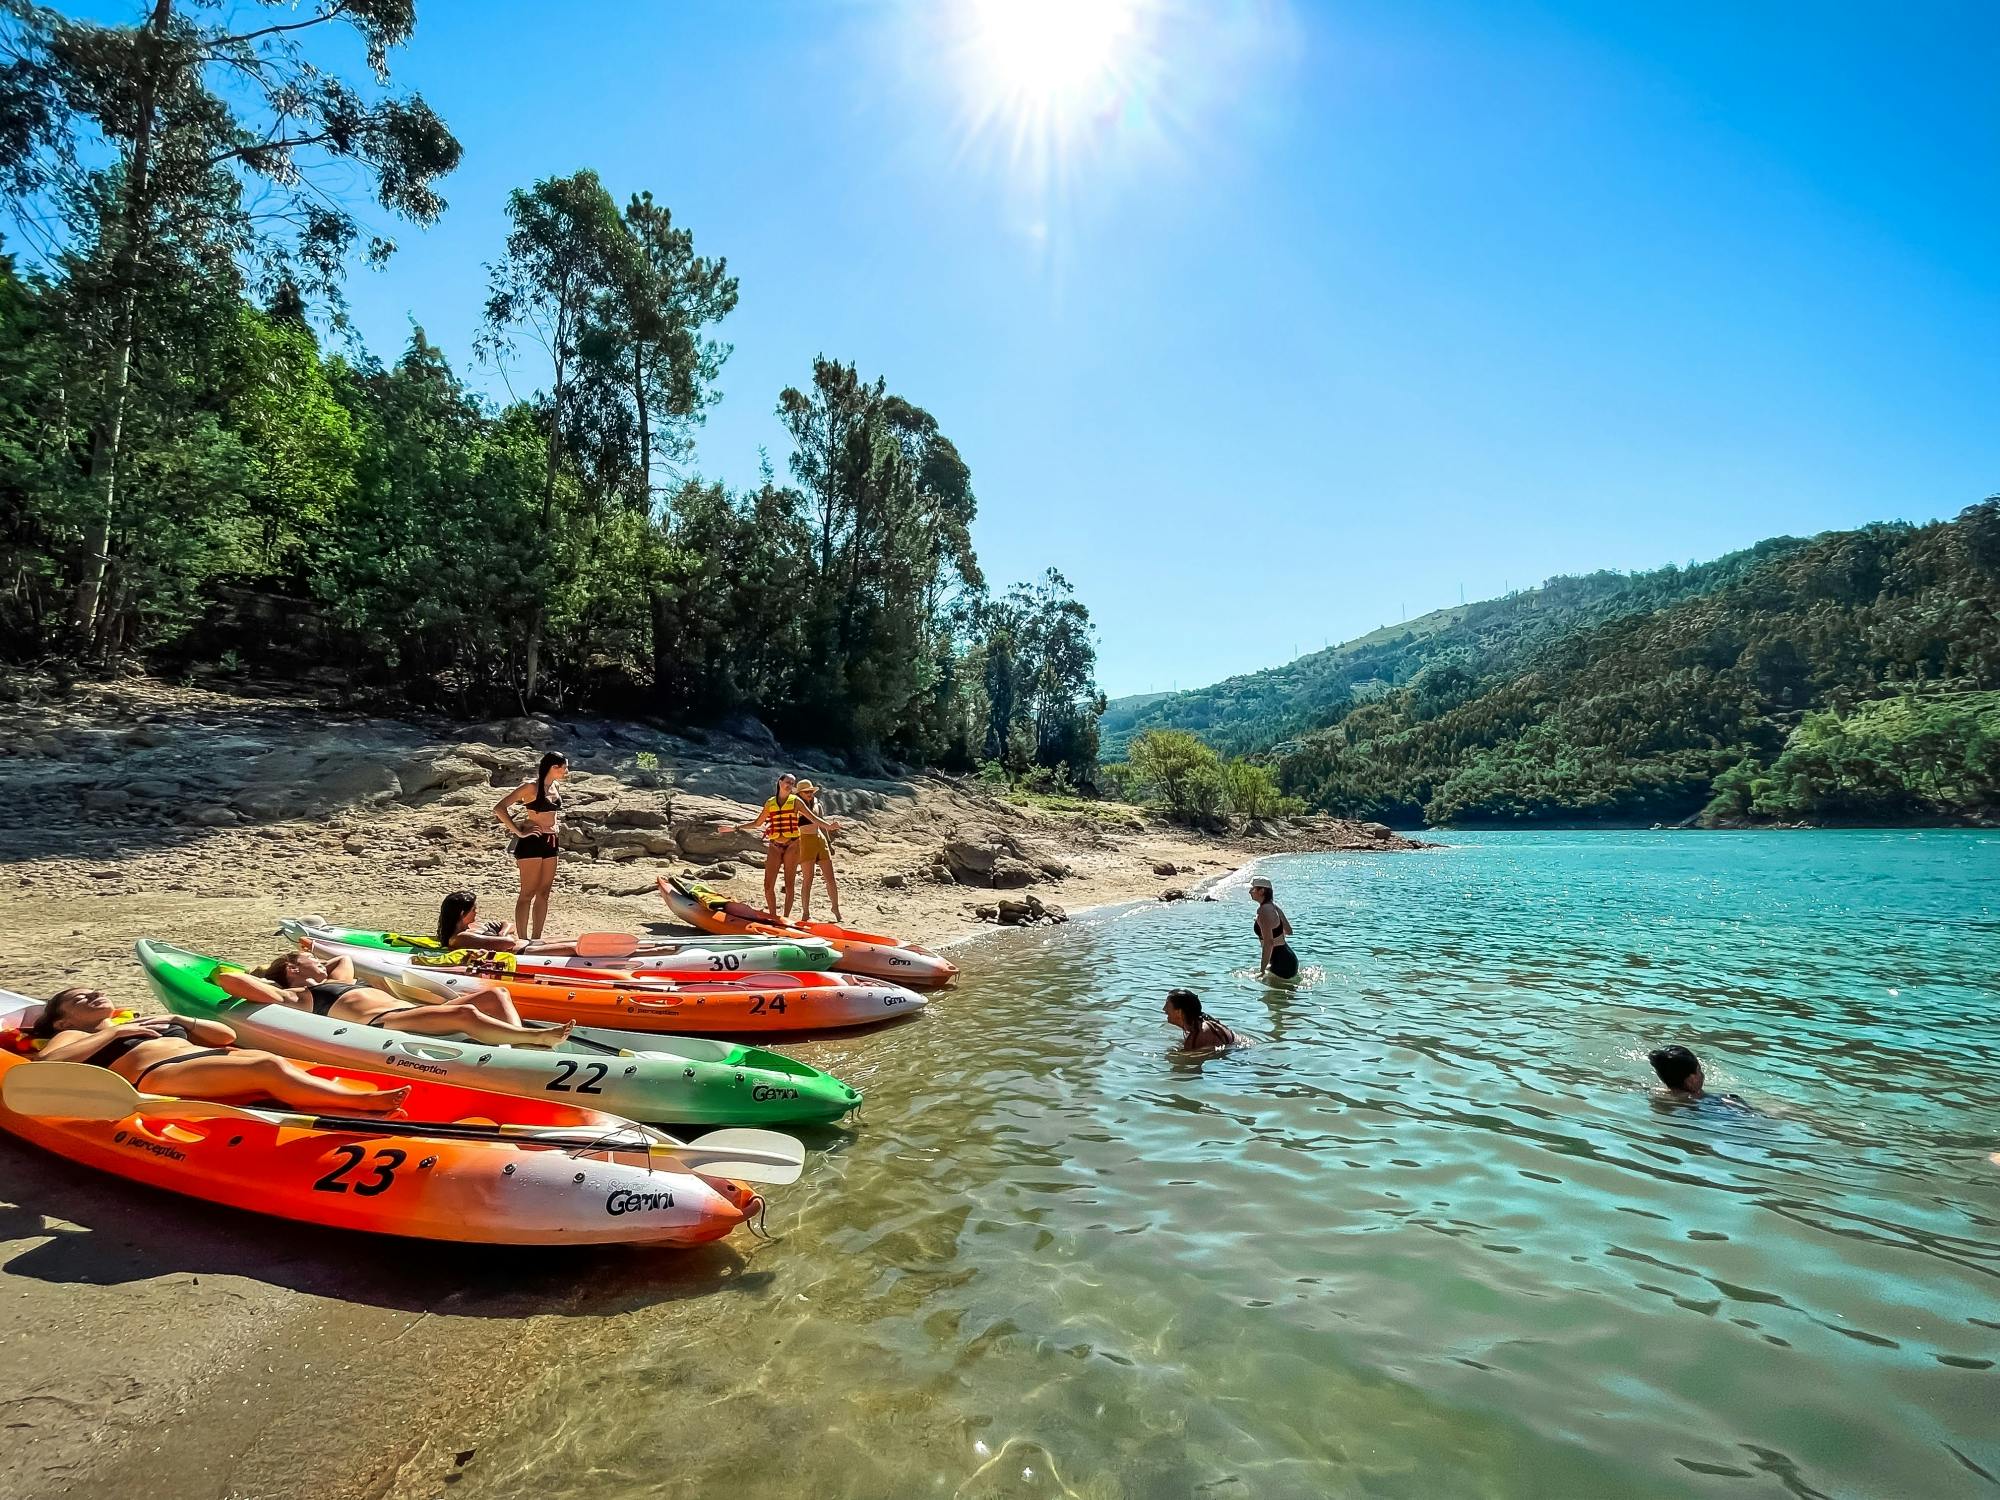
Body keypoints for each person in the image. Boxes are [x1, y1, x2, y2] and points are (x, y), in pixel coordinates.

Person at [29, 987, 412, 1113]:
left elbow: (224, 1037)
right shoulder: (71, 1037)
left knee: (274, 1062)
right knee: (266, 1066)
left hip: (202, 1057)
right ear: (63, 1021)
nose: (95, 994)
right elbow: (47, 1064)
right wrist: (116, 1034)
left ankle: (327, 1099)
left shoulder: (142, 1020)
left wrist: (182, 1019)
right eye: (81, 998)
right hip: (157, 1076)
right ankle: (361, 1104)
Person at [224, 951, 572, 1048]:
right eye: (305, 960)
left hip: (414, 1012)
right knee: (465, 1012)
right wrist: (266, 975)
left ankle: (520, 1051)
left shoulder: (333, 979)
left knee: (495, 994)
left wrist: (312, 965)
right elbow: (230, 980)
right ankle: (532, 1038)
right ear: (290, 968)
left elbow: (340, 961)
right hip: (385, 1025)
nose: (315, 959)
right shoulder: (297, 996)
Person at [494, 750, 569, 940]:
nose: (566, 771)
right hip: (532, 842)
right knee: (527, 893)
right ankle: (522, 939)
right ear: (554, 767)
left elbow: (551, 815)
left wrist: (554, 826)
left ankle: (536, 938)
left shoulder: (555, 786)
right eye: (564, 767)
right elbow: (499, 808)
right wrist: (519, 831)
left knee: (544, 893)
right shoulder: (530, 787)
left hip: (551, 842)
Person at [729, 773, 805, 917]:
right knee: (768, 885)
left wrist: (829, 826)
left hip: (793, 845)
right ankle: (772, 916)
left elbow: (813, 818)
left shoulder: (796, 802)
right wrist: (736, 827)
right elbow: (757, 823)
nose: (790, 785)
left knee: (789, 884)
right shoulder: (770, 803)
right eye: (788, 782)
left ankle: (786, 917)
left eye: (792, 783)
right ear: (780, 782)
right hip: (775, 846)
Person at [791, 780, 846, 923]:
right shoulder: (795, 805)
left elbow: (820, 822)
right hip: (805, 840)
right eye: (806, 792)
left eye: (811, 792)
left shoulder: (817, 803)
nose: (810, 794)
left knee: (830, 878)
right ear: (800, 793)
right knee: (808, 879)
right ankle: (806, 912)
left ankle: (836, 908)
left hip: (819, 840)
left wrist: (829, 842)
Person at [1647, 1045, 1747, 1106]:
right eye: (1699, 1070)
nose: (1702, 1075)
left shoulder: (1655, 1093)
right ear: (1691, 1080)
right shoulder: (1724, 1101)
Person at [1163, 988, 1242, 1052]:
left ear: (1179, 1012)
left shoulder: (1197, 1034)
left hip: (1239, 1053)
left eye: (1167, 1005)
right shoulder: (1200, 1022)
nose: (1164, 1009)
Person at [1250, 877, 1299, 979]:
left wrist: (1262, 971)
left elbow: (1269, 943)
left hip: (1281, 963)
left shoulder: (1263, 911)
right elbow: (1289, 931)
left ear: (1262, 891)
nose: (1250, 891)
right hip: (1289, 959)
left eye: (1253, 889)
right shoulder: (1273, 907)